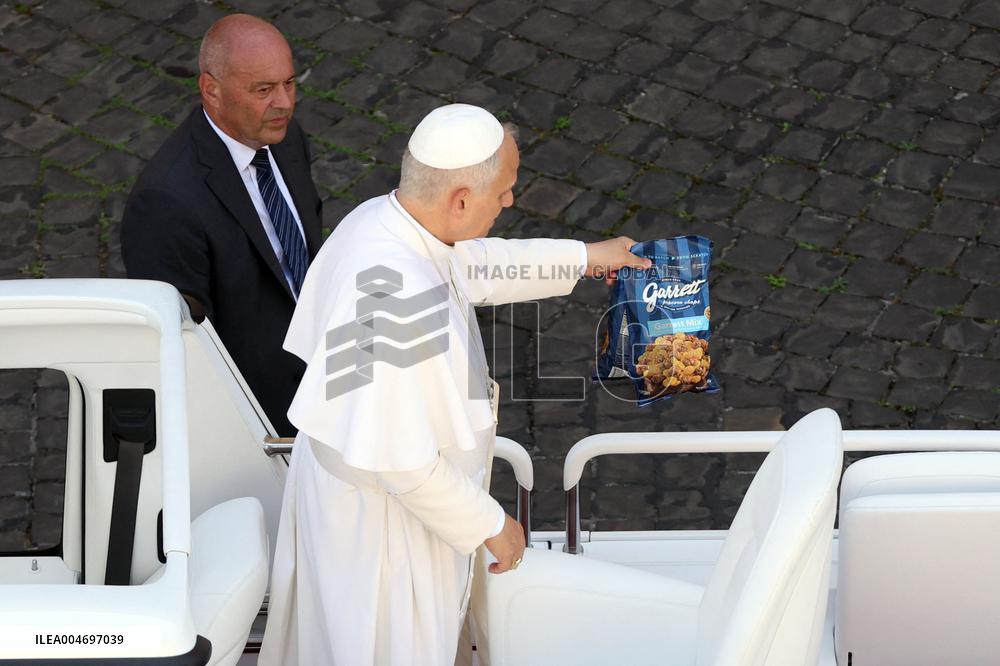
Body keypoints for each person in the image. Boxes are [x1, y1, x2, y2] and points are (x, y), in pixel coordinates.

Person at [258, 104, 650, 665]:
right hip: (383, 540)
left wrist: (588, 258)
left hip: (357, 506)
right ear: (461, 199)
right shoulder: (392, 296)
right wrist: (492, 524)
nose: (510, 202)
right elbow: (400, 462)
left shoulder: (385, 219)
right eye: (505, 192)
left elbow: (476, 264)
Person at [120, 14, 322, 435]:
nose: (285, 102)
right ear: (211, 90)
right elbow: (187, 350)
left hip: (325, 382)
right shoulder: (165, 201)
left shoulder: (285, 138)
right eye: (263, 90)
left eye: (289, 83)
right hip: (259, 421)